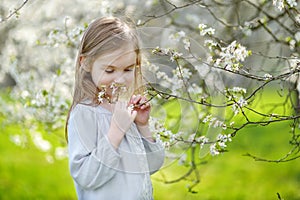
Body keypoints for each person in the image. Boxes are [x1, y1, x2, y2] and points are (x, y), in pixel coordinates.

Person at [65, 16, 165, 200]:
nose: (120, 79)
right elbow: (86, 177)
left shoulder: (125, 109)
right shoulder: (85, 113)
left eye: (128, 69)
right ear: (85, 63)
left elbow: (152, 166)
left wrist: (143, 126)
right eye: (109, 70)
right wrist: (116, 133)